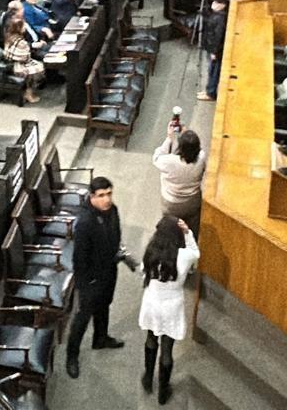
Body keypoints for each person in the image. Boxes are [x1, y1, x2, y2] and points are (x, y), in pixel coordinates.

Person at [65, 176, 136, 379]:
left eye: (109, 194)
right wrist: (85, 284)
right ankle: (72, 356)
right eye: (101, 195)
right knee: (82, 318)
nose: (106, 199)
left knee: (104, 305)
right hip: (90, 279)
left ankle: (101, 338)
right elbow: (79, 258)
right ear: (92, 196)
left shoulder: (113, 210)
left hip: (108, 270)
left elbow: (116, 235)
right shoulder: (85, 222)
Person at [138, 216, 199, 405]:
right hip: (172, 306)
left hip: (152, 302)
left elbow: (142, 271)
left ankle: (148, 378)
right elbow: (195, 253)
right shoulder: (183, 257)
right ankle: (163, 392)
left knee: (150, 338)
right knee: (167, 349)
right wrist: (188, 232)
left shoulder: (150, 252)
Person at [153, 125, 205, 232]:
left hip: (172, 203)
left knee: (170, 228)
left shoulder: (170, 161)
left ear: (180, 148)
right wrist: (185, 135)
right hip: (192, 201)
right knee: (191, 228)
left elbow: (157, 158)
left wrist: (169, 138)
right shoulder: (201, 158)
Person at [4, 16, 44, 104]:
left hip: (12, 63)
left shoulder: (9, 36)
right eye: (23, 26)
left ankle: (29, 91)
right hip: (18, 65)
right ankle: (28, 93)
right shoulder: (21, 42)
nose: (25, 27)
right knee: (38, 69)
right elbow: (24, 57)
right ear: (18, 28)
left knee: (38, 65)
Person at [198, 0, 228, 102]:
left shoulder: (221, 19)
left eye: (217, 2)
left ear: (223, 5)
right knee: (211, 70)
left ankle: (211, 93)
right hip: (211, 48)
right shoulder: (216, 15)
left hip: (216, 50)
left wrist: (214, 52)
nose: (214, 4)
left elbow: (218, 36)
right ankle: (208, 90)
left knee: (214, 71)